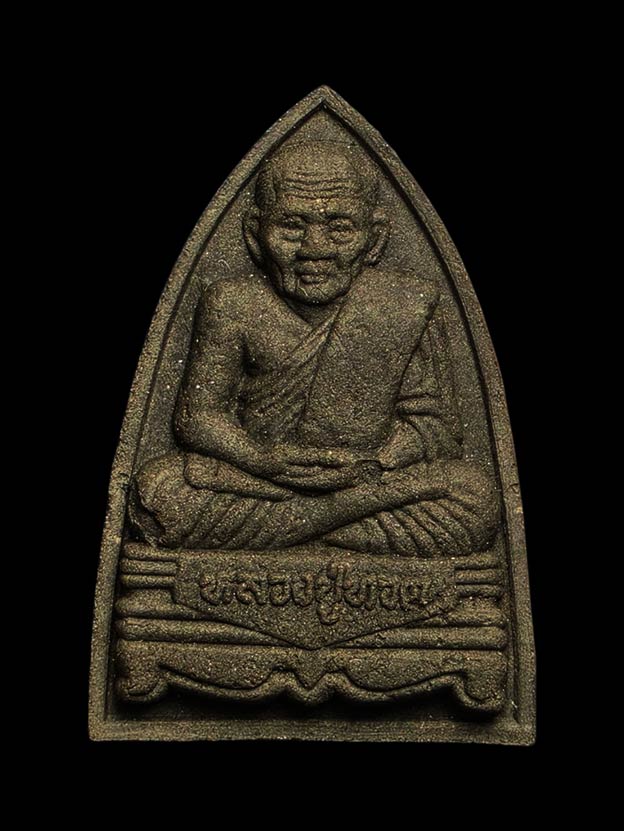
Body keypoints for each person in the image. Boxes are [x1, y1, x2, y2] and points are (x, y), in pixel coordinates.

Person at [129, 141, 499, 556]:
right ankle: (328, 523)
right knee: (160, 490)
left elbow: (436, 430)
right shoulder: (232, 303)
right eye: (291, 226)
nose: (314, 249)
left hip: (364, 480)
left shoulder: (404, 304)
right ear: (255, 234)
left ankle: (297, 528)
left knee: (475, 496)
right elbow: (198, 417)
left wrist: (377, 464)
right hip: (261, 479)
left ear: (375, 238)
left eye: (339, 228)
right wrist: (260, 459)